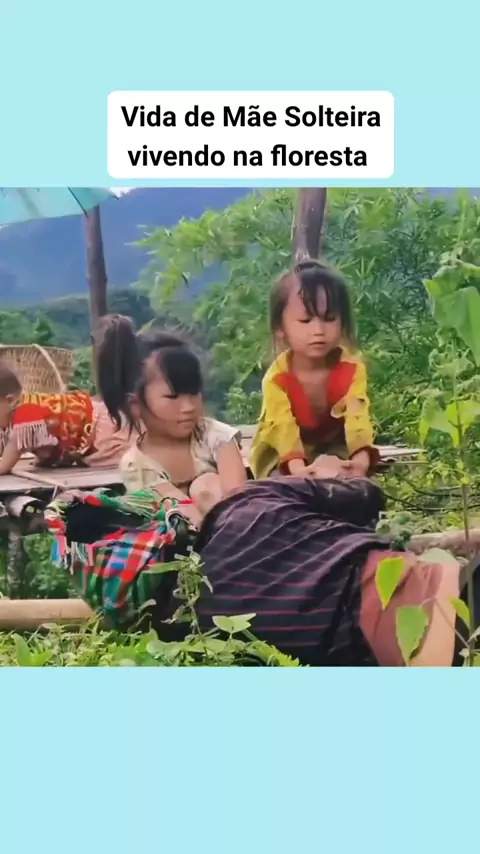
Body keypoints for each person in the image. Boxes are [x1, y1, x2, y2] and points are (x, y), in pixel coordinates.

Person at [95, 314, 247, 512]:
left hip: (233, 520)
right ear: (134, 404)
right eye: (173, 397)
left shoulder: (215, 436)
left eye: (193, 393)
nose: (188, 407)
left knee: (206, 485)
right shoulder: (136, 466)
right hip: (178, 527)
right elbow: (176, 512)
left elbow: (238, 496)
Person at [250, 259, 379, 480]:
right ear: (281, 328)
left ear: (343, 323)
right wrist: (299, 471)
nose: (318, 330)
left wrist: (360, 462)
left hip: (336, 449)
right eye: (305, 320)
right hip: (282, 456)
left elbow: (358, 420)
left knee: (354, 486)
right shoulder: (277, 378)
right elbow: (282, 429)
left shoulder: (351, 370)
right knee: (285, 488)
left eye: (329, 319)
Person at [0, 364, 133, 475]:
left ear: (10, 401)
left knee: (124, 458)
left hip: (96, 429)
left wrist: (4, 464)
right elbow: (51, 441)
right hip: (89, 420)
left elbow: (5, 462)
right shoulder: (23, 408)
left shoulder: (25, 417)